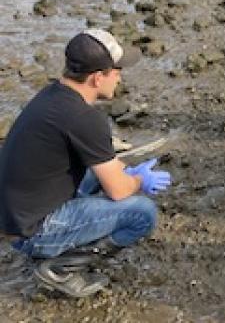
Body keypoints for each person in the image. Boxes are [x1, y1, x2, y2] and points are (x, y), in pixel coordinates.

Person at [0, 29, 172, 297]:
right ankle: (61, 267)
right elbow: (118, 190)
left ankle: (56, 247)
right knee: (143, 213)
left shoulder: (53, 95)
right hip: (32, 231)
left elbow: (105, 166)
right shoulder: (84, 118)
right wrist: (139, 180)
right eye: (116, 71)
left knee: (101, 173)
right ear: (96, 77)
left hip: (15, 214)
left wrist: (126, 172)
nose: (119, 77)